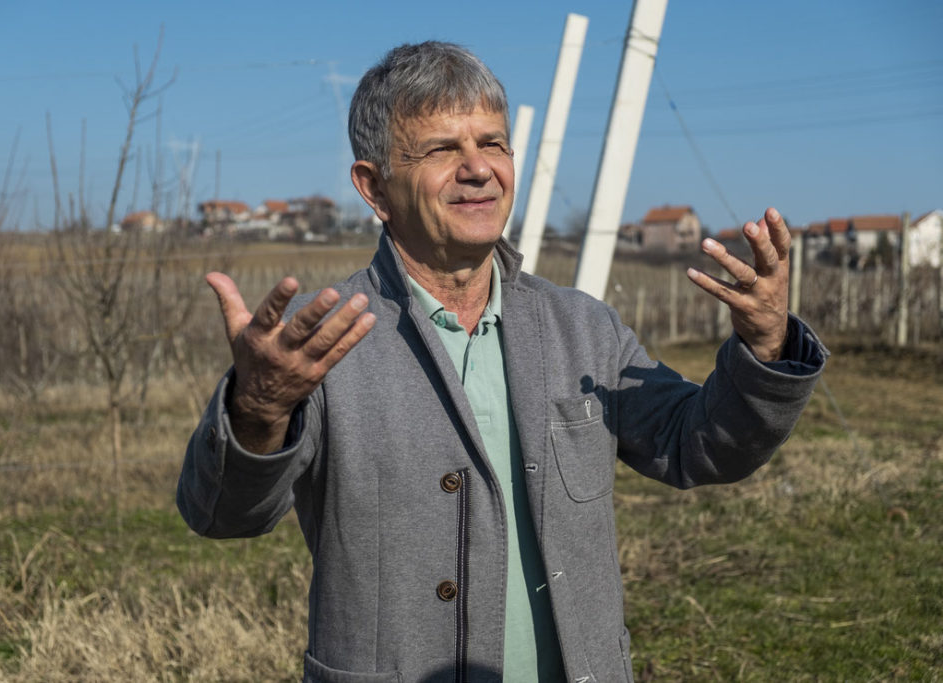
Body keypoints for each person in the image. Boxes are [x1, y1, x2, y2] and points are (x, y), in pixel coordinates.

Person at [177, 41, 827, 683]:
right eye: (441, 149)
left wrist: (765, 348)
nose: (478, 168)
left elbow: (699, 444)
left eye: (492, 143)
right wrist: (258, 408)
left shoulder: (580, 326)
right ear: (375, 187)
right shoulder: (327, 340)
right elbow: (223, 513)